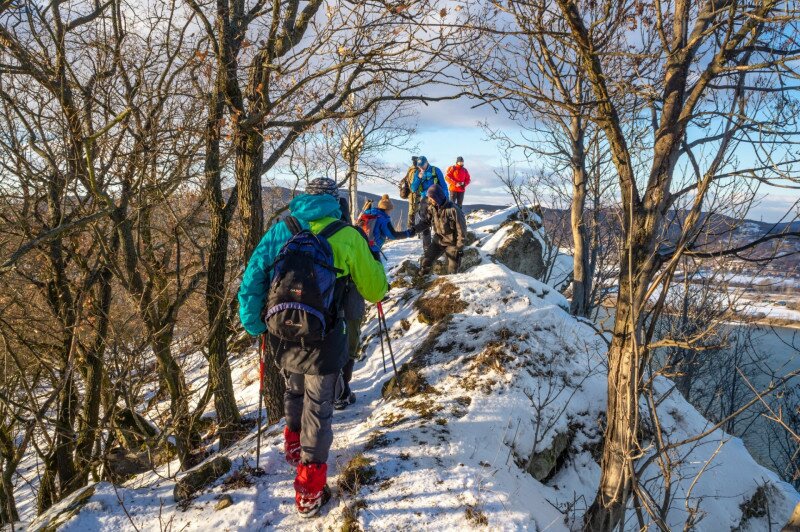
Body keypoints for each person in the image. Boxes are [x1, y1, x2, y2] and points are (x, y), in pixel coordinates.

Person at [238, 178, 388, 517]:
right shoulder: (347, 235)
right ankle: (308, 488)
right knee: (318, 406)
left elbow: (253, 276)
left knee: (294, 389)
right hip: (326, 334)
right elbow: (375, 289)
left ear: (304, 197)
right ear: (335, 202)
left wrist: (253, 322)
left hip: (283, 329)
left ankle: (293, 447)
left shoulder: (283, 229)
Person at [416, 183, 468, 275]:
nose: (429, 200)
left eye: (431, 198)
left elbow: (462, 230)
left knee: (452, 271)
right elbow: (426, 222)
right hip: (438, 240)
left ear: (437, 197)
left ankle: (450, 285)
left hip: (452, 243)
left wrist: (459, 248)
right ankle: (422, 281)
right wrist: (413, 230)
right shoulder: (432, 208)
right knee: (425, 262)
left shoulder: (453, 209)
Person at [410, 156, 448, 252]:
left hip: (436, 198)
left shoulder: (436, 170)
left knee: (439, 221)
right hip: (425, 199)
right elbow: (413, 189)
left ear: (427, 162)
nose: (421, 167)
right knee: (424, 221)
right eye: (419, 166)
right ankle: (427, 247)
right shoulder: (417, 173)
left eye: (422, 165)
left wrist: (446, 200)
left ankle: (440, 244)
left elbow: (444, 186)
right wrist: (418, 178)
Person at [400, 155, 420, 230]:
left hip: (412, 194)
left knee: (412, 210)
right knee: (414, 210)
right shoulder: (416, 170)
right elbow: (413, 182)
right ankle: (412, 228)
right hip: (414, 193)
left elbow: (405, 179)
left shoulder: (410, 169)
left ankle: (411, 228)